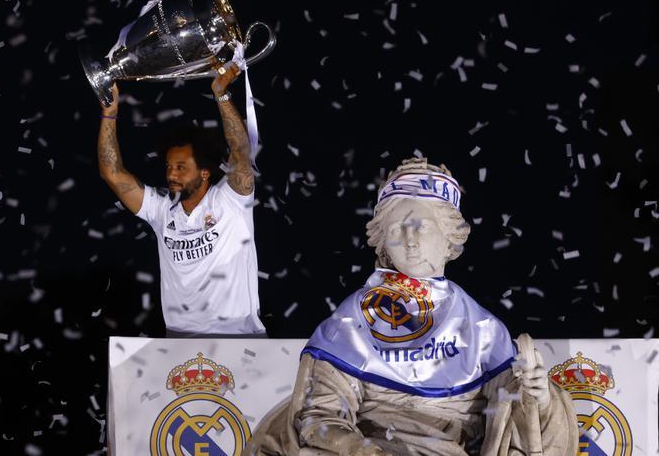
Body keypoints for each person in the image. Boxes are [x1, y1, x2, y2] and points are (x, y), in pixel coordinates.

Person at [245, 158, 578, 455]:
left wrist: (538, 399)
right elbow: (319, 419)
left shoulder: (483, 330)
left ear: (450, 238)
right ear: (382, 241)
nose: (410, 239)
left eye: (423, 225)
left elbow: (514, 424)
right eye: (396, 227)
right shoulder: (349, 324)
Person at [96, 63, 266, 338]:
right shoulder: (162, 210)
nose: (171, 174)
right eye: (168, 167)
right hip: (178, 343)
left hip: (239, 339)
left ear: (205, 172)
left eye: (181, 167)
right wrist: (110, 112)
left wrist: (221, 94)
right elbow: (112, 173)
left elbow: (240, 151)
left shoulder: (231, 201)